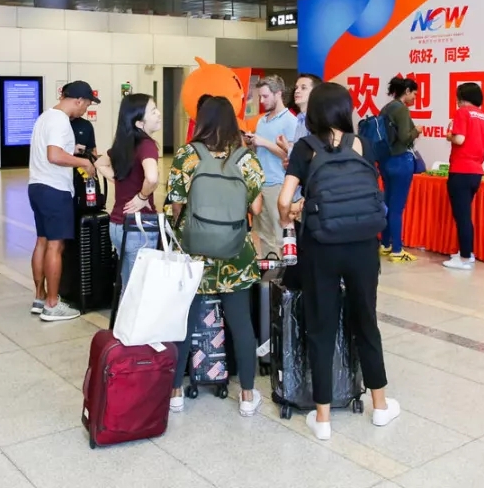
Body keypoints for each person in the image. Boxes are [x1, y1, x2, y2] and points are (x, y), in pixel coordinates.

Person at [278, 82, 399, 440]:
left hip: (322, 246)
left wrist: (292, 214)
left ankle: (323, 419)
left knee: (321, 327)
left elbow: (284, 200)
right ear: (345, 110)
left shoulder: (305, 148)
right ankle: (380, 406)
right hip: (363, 245)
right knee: (366, 321)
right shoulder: (362, 143)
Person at [166, 96, 264, 417]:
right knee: (241, 324)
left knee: (184, 320)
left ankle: (176, 393)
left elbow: (176, 202)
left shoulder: (187, 155)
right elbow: (257, 207)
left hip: (195, 253)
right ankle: (247, 396)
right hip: (235, 254)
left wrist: (188, 230)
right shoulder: (246, 159)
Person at [27, 81, 98, 321]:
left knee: (42, 242)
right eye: (87, 104)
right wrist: (84, 162)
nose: (86, 109)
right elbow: (54, 155)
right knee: (55, 246)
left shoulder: (45, 117)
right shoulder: (61, 121)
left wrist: (72, 149)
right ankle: (52, 304)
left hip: (37, 186)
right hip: (55, 190)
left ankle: (40, 297)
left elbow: (52, 149)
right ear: (78, 100)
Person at [95, 93, 162, 291]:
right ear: (140, 123)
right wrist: (142, 196)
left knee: (128, 283)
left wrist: (119, 180)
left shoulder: (123, 144)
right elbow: (152, 177)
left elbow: (100, 163)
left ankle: (124, 312)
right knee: (138, 288)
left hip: (117, 225)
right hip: (138, 227)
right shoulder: (147, 145)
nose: (159, 114)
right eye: (153, 111)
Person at [443, 82, 484, 271]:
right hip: (476, 171)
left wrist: (449, 135)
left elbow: (460, 139)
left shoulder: (462, 113)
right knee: (464, 214)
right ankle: (466, 252)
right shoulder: (483, 116)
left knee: (462, 216)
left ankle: (464, 257)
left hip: (461, 169)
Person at [246, 75, 293, 256]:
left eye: (265, 96)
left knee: (280, 234)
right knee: (263, 234)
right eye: (260, 96)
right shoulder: (262, 120)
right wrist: (252, 142)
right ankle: (269, 268)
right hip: (261, 183)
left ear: (278, 94)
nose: (261, 101)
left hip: (278, 183)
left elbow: (290, 155)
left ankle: (283, 271)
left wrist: (264, 142)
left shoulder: (290, 121)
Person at [378, 76, 421, 263]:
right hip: (401, 161)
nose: (414, 98)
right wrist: (417, 131)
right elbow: (404, 137)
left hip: (386, 161)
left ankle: (385, 244)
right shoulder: (402, 109)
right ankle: (397, 249)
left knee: (388, 203)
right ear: (407, 91)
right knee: (397, 208)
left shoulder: (386, 108)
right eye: (414, 94)